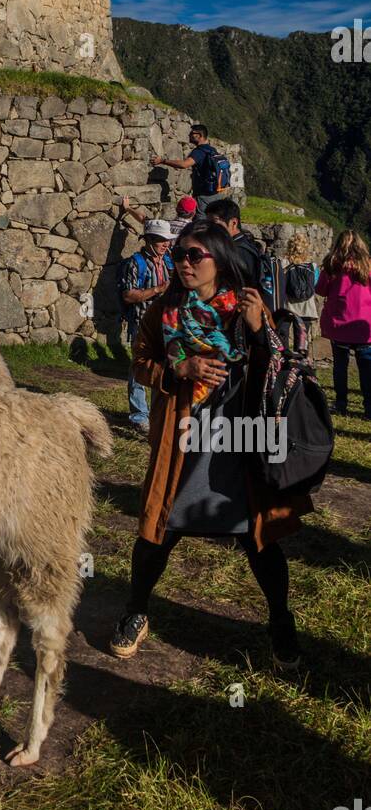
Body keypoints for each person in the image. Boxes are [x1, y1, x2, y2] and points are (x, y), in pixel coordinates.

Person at [109, 220, 311, 670]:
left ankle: (281, 622)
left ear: (219, 260)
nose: (183, 262)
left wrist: (260, 330)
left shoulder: (247, 305)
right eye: (179, 254)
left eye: (193, 255)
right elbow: (142, 363)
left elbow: (279, 364)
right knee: (160, 527)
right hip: (182, 434)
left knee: (258, 536)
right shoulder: (162, 309)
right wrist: (177, 372)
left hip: (240, 435)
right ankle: (136, 610)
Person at [117, 219, 174, 437]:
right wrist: (158, 289)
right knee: (139, 368)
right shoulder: (136, 263)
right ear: (149, 240)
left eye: (167, 241)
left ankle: (157, 413)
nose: (165, 245)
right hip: (141, 323)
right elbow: (129, 295)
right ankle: (140, 416)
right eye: (161, 240)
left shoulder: (168, 263)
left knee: (161, 367)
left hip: (166, 324)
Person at [315, 229, 371, 418]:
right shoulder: (368, 266)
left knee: (340, 366)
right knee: (367, 369)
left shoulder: (332, 266)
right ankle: (369, 407)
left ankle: (341, 403)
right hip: (364, 327)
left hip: (338, 324)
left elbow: (321, 290)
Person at [151, 124, 226, 214]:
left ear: (198, 135)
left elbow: (184, 164)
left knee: (201, 223)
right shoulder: (212, 150)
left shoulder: (199, 151)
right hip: (216, 193)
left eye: (191, 133)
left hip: (204, 195)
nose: (189, 135)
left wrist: (163, 161)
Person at [284, 233, 319, 355]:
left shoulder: (284, 265)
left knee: (283, 341)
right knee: (302, 343)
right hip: (306, 309)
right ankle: (301, 368)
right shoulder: (313, 266)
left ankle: (284, 368)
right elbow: (315, 284)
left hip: (288, 307)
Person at [120, 194, 197, 240]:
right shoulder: (194, 230)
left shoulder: (164, 225)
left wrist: (127, 208)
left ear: (177, 209)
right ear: (193, 213)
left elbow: (143, 219)